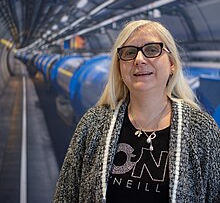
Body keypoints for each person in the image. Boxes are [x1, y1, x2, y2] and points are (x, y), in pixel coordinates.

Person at [53, 20, 220, 203]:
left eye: (151, 50)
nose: (139, 59)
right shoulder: (93, 123)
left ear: (171, 63)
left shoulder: (201, 129)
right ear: (120, 68)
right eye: (129, 52)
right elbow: (65, 196)